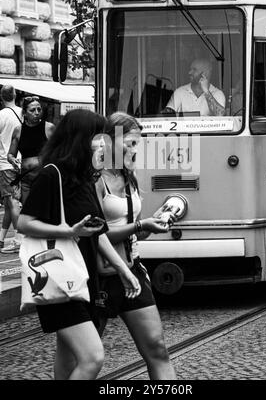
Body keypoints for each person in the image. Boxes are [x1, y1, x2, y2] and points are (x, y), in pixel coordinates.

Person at [17, 109, 141, 380]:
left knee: (68, 359)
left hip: (83, 279)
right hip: (60, 277)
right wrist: (67, 230)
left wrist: (125, 270)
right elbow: (24, 222)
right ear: (80, 139)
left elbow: (98, 234)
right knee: (92, 357)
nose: (103, 144)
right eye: (98, 138)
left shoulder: (84, 178)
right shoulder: (52, 175)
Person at [95, 112, 177, 380]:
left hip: (132, 269)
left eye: (137, 144)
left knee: (157, 349)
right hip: (99, 277)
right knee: (85, 358)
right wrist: (141, 226)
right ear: (109, 141)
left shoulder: (129, 177)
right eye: (129, 143)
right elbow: (96, 235)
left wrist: (152, 226)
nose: (134, 149)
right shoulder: (96, 180)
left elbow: (134, 231)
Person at [8, 96, 55, 204]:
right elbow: (11, 154)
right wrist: (12, 160)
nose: (37, 112)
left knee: (42, 209)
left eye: (39, 109)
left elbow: (58, 151)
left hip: (44, 177)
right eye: (32, 110)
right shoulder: (18, 130)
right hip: (26, 178)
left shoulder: (48, 127)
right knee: (27, 210)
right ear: (24, 113)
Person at [0, 85, 22, 253]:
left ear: (2, 97)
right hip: (22, 162)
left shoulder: (1, 115)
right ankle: (1, 239)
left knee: (12, 202)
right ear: (15, 95)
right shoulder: (24, 113)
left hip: (6, 163)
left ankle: (19, 240)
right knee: (9, 202)